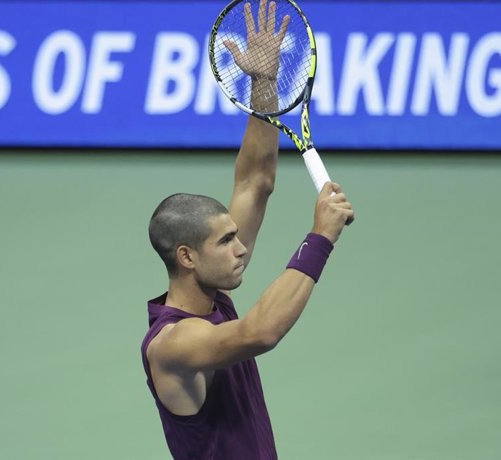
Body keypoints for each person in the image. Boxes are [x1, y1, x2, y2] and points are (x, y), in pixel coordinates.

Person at [140, 1, 354, 458]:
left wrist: (263, 82)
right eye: (225, 241)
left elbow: (255, 181)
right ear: (186, 257)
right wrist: (319, 238)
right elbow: (260, 333)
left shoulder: (212, 297)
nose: (241, 248)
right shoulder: (173, 344)